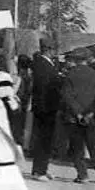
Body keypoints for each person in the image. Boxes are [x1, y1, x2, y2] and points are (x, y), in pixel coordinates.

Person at [60, 47, 95, 184]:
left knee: (77, 147)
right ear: (87, 59)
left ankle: (82, 175)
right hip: (91, 117)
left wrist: (78, 113)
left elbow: (67, 95)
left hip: (73, 117)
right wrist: (90, 112)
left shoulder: (69, 75)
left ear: (75, 59)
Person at [30, 39, 62, 181]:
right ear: (49, 49)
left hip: (46, 106)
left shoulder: (44, 63)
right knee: (44, 139)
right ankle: (39, 171)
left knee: (45, 139)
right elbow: (44, 87)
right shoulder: (42, 64)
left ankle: (41, 168)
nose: (55, 52)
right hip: (45, 107)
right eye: (54, 49)